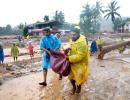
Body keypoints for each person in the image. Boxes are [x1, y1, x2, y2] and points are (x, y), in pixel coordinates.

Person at [66, 28, 89, 94]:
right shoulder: (71, 40)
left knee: (79, 76)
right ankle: (74, 87)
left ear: (78, 34)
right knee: (71, 76)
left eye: (74, 35)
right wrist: (67, 50)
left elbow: (80, 56)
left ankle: (78, 88)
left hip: (81, 63)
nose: (72, 36)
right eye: (71, 35)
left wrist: (68, 58)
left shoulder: (82, 43)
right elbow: (69, 47)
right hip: (72, 62)